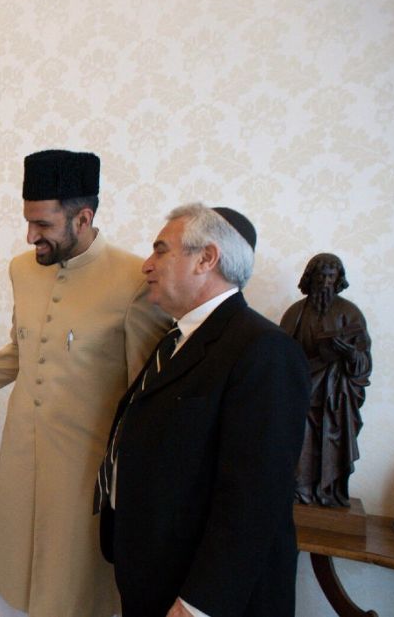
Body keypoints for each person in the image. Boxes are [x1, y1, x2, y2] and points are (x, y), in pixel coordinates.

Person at [0, 150, 170, 617]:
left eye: (43, 225)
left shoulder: (134, 279)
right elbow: (19, 355)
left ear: (83, 218)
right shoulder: (22, 269)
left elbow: (146, 393)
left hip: (86, 473)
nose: (30, 237)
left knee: (76, 593)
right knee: (11, 581)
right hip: (21, 458)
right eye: (27, 222)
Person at [97, 203, 309, 617]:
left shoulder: (263, 349)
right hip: (154, 574)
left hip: (202, 596)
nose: (146, 265)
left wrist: (200, 603)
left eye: (161, 250)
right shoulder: (177, 340)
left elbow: (255, 497)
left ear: (206, 259)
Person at [280, 253, 371, 507]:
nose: (326, 281)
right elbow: (280, 353)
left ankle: (329, 490)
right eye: (321, 275)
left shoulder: (349, 313)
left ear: (338, 279)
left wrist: (348, 352)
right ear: (311, 277)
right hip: (302, 390)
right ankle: (301, 490)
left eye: (331, 276)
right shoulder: (296, 312)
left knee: (333, 442)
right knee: (300, 441)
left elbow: (363, 360)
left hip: (336, 396)